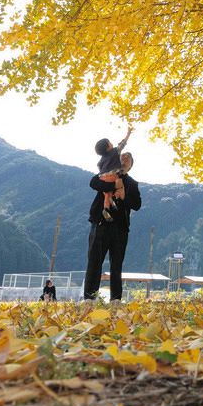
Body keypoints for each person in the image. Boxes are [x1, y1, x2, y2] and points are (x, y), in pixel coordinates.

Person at [83, 149, 141, 301]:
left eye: (128, 157)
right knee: (94, 261)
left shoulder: (133, 184)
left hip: (120, 227)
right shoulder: (106, 173)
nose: (125, 157)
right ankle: (89, 298)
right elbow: (93, 182)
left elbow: (136, 204)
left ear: (131, 165)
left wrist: (124, 195)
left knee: (117, 265)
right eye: (122, 156)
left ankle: (116, 299)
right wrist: (114, 186)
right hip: (100, 222)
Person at [95, 128, 132, 222]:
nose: (112, 143)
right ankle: (114, 201)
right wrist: (128, 134)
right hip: (112, 175)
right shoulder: (115, 152)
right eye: (110, 143)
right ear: (108, 147)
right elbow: (122, 144)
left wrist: (102, 175)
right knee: (119, 185)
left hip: (102, 177)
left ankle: (106, 208)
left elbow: (99, 166)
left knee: (107, 194)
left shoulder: (102, 159)